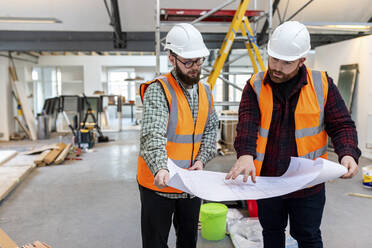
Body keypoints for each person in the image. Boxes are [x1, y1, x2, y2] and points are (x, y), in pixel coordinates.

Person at [226, 21, 361, 248]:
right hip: (269, 181)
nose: (277, 67)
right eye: (274, 58)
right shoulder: (255, 85)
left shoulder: (323, 85)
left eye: (286, 62)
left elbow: (342, 125)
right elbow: (247, 124)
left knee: (307, 235)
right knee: (271, 233)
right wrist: (245, 155)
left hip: (307, 183)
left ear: (301, 61)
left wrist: (347, 153)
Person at [137, 23, 219, 248]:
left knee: (188, 241)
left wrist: (202, 160)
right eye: (188, 62)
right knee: (156, 243)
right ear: (172, 58)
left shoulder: (206, 91)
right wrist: (160, 167)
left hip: (190, 185)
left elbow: (211, 129)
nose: (195, 67)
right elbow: (152, 133)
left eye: (200, 60)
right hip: (159, 184)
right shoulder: (159, 89)